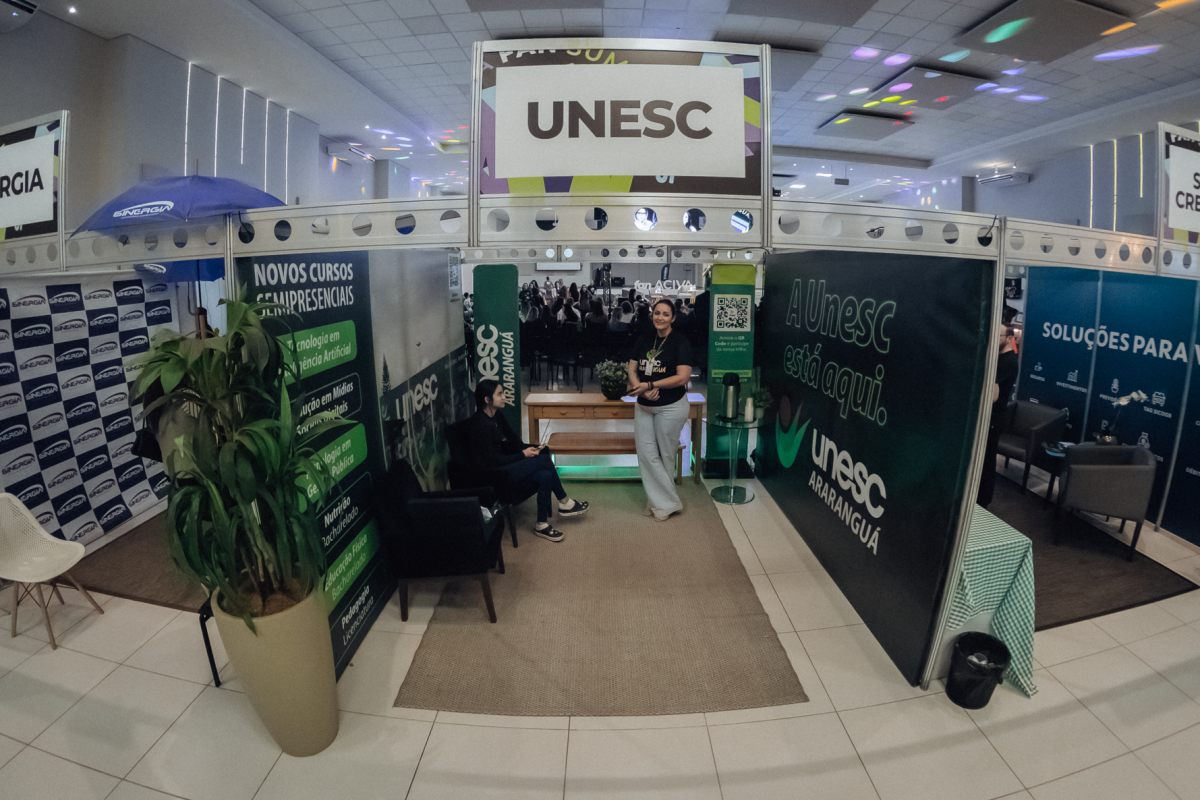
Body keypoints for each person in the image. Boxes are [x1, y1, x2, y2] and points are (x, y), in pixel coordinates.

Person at [469, 379, 588, 541]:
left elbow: (514, 441)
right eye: (499, 394)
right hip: (493, 475)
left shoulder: (497, 416)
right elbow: (492, 461)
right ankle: (565, 502)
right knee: (544, 460)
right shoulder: (480, 424)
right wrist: (523, 455)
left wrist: (532, 449)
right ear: (487, 399)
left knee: (545, 474)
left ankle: (542, 525)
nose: (504, 397)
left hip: (503, 466)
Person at [627, 299, 694, 521]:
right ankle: (664, 503)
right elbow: (632, 369)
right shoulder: (645, 338)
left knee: (665, 455)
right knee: (646, 455)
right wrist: (641, 388)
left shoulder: (680, 342)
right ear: (652, 315)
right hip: (644, 406)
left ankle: (661, 504)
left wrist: (650, 385)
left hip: (671, 407)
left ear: (673, 318)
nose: (660, 317)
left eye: (665, 314)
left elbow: (682, 377)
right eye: (657, 313)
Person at [977, 324, 1019, 507]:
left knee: (987, 459)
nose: (995, 339)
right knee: (982, 458)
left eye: (999, 335)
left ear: (1009, 338)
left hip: (994, 418)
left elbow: (992, 393)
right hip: (988, 416)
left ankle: (983, 500)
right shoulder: (998, 358)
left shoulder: (1008, 361)